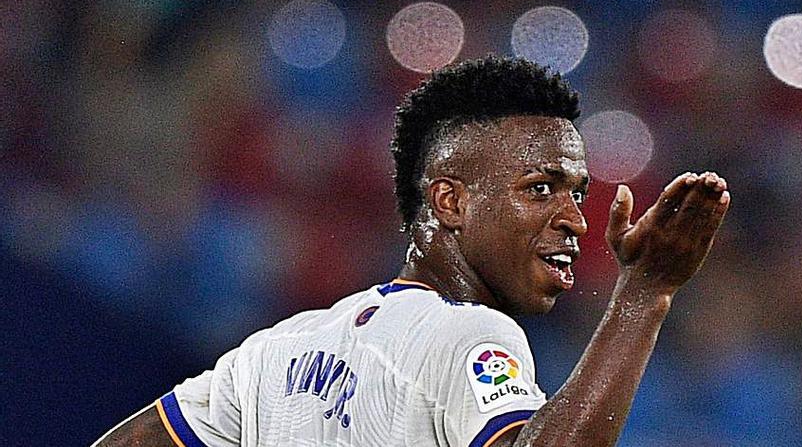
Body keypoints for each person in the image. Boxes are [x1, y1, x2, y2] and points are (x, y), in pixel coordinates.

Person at [93, 56, 730, 447]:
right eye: (540, 190)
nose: (573, 219)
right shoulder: (467, 335)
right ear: (449, 203)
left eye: (577, 194)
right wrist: (646, 294)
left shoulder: (274, 351)